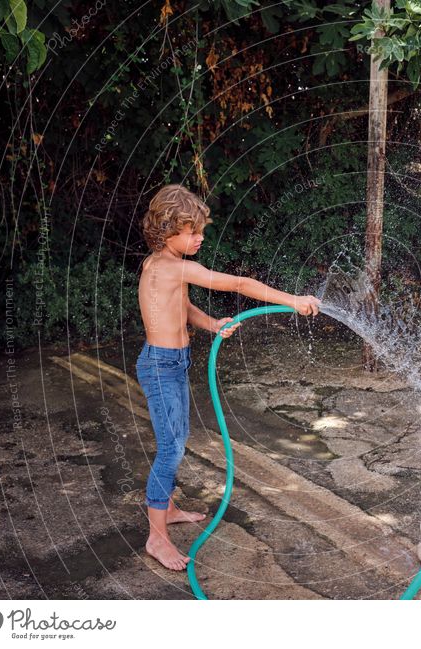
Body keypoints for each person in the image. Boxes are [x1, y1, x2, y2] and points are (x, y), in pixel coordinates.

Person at [135, 183, 321, 571]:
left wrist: (211, 323)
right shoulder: (172, 267)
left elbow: (182, 307)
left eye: (201, 229)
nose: (200, 237)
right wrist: (292, 300)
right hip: (160, 366)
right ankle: (156, 537)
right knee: (171, 448)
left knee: (177, 438)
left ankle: (166, 507)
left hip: (172, 362)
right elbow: (237, 284)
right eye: (192, 231)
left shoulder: (163, 264)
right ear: (168, 230)